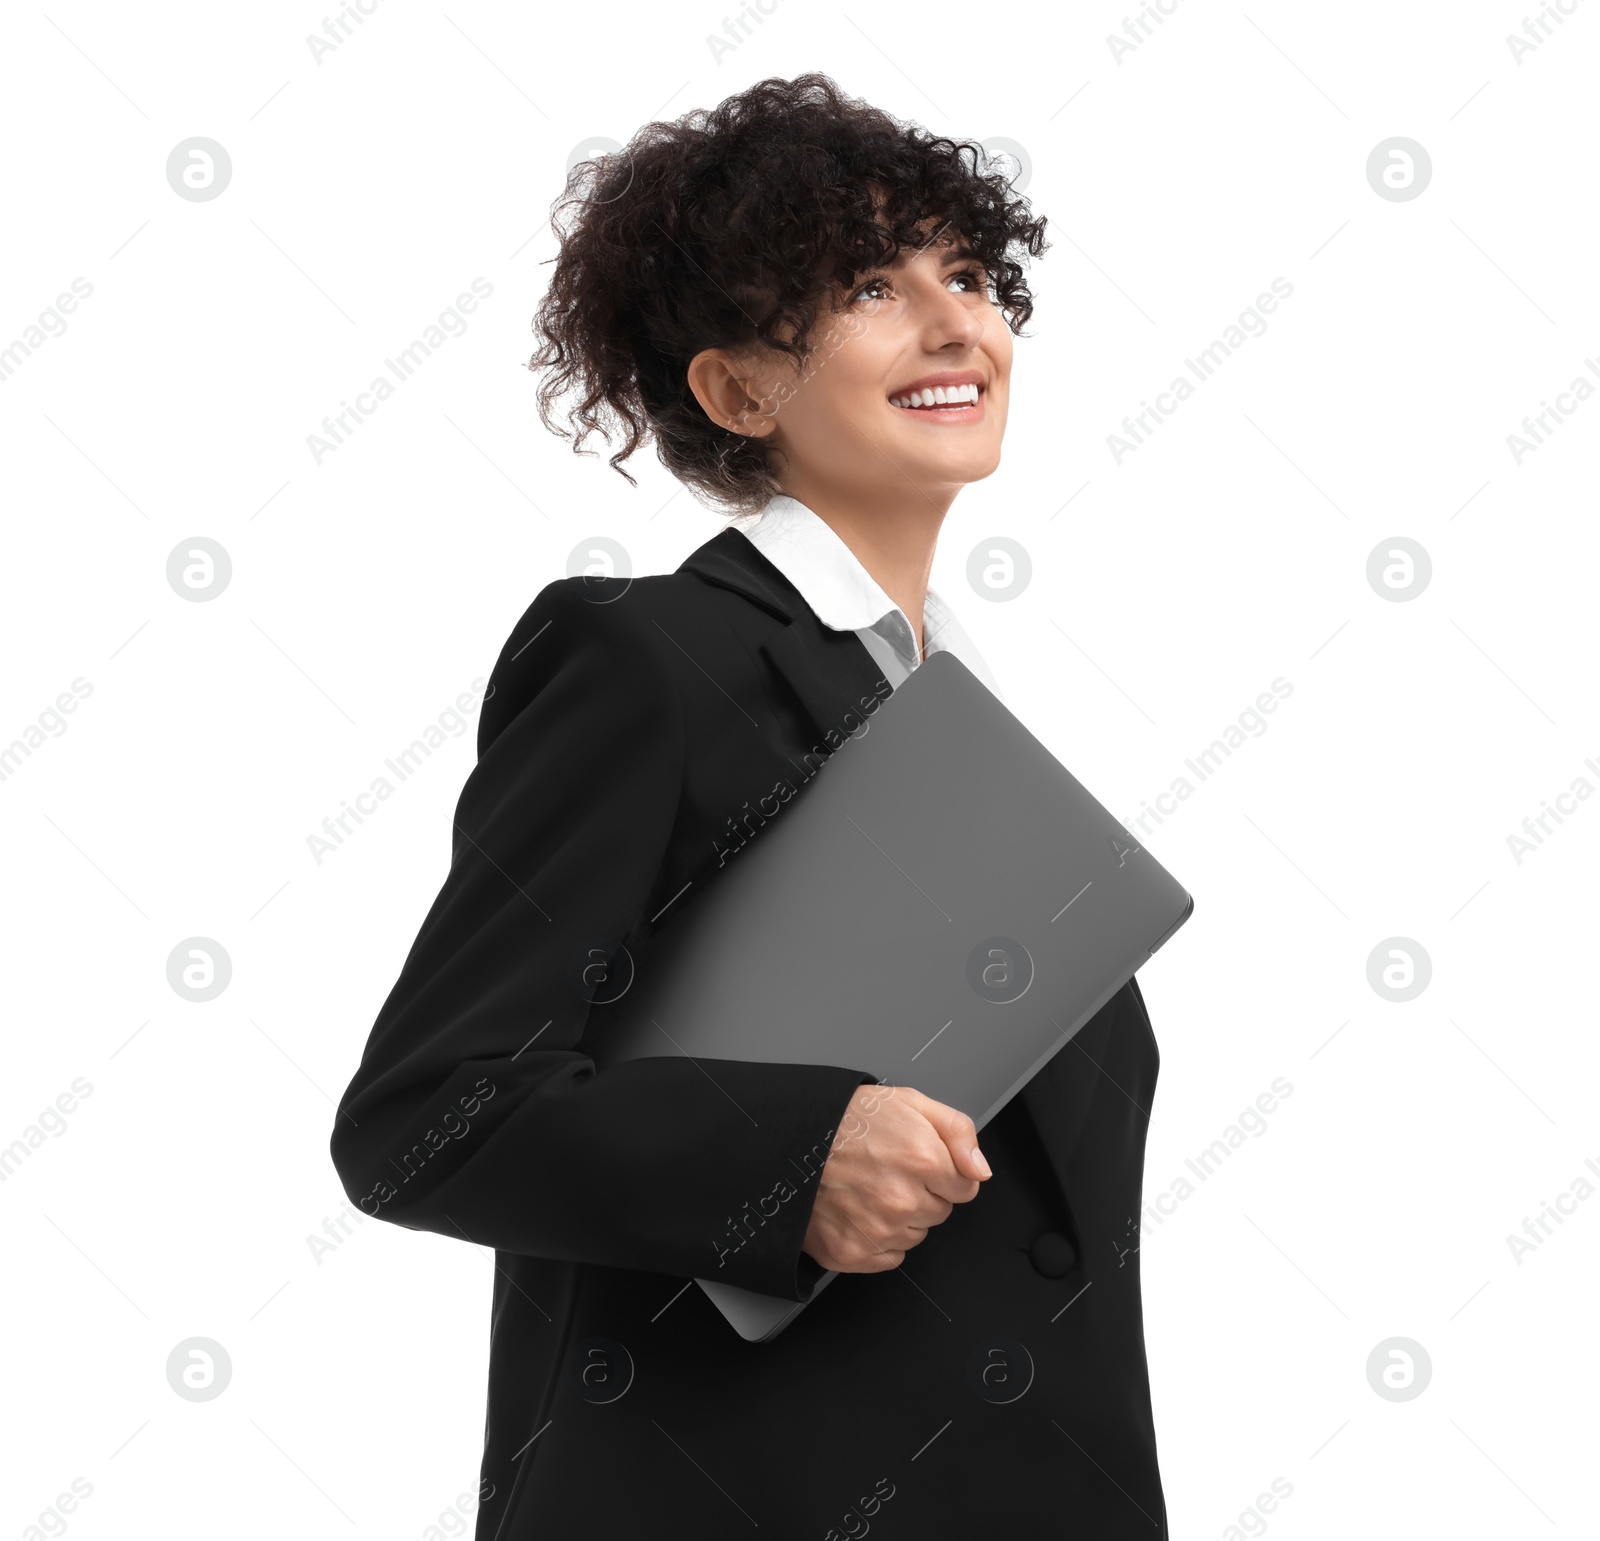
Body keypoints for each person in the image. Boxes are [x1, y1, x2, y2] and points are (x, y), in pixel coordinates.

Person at [331, 72, 1167, 1538]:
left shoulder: (963, 713)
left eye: (968, 274)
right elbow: (425, 1113)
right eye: (867, 285)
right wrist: (789, 1159)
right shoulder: (650, 660)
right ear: (736, 389)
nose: (958, 322)